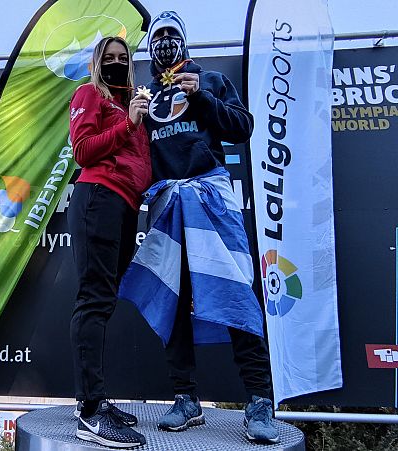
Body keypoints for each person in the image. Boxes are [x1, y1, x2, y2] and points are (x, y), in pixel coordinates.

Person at [118, 10, 280, 443]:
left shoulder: (209, 81)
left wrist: (203, 99)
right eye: (159, 36)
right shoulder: (144, 94)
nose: (166, 42)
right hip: (169, 204)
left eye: (173, 35)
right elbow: (134, 157)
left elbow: (243, 127)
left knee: (237, 292)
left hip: (210, 198)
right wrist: (130, 121)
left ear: (185, 42)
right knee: (175, 298)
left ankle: (260, 402)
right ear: (150, 46)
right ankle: (186, 399)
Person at [67, 35, 152, 449]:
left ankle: (97, 401)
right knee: (93, 299)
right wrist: (128, 124)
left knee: (104, 301)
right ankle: (89, 412)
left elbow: (140, 162)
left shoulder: (133, 103)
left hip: (125, 205)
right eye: (110, 58)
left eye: (124, 58)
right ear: (97, 63)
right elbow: (83, 150)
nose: (117, 64)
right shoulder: (90, 94)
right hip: (97, 196)